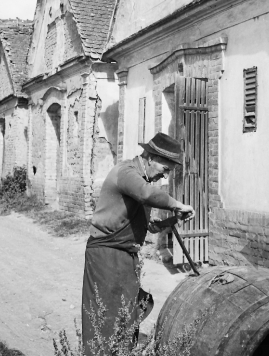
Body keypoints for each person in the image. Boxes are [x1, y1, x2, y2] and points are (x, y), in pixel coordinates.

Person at [81, 132, 194, 355]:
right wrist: (176, 205)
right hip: (105, 254)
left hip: (126, 256)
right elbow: (146, 195)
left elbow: (147, 225)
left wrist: (173, 219)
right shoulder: (127, 173)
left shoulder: (142, 180)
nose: (164, 176)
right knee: (104, 316)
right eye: (165, 170)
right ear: (150, 157)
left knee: (127, 312)